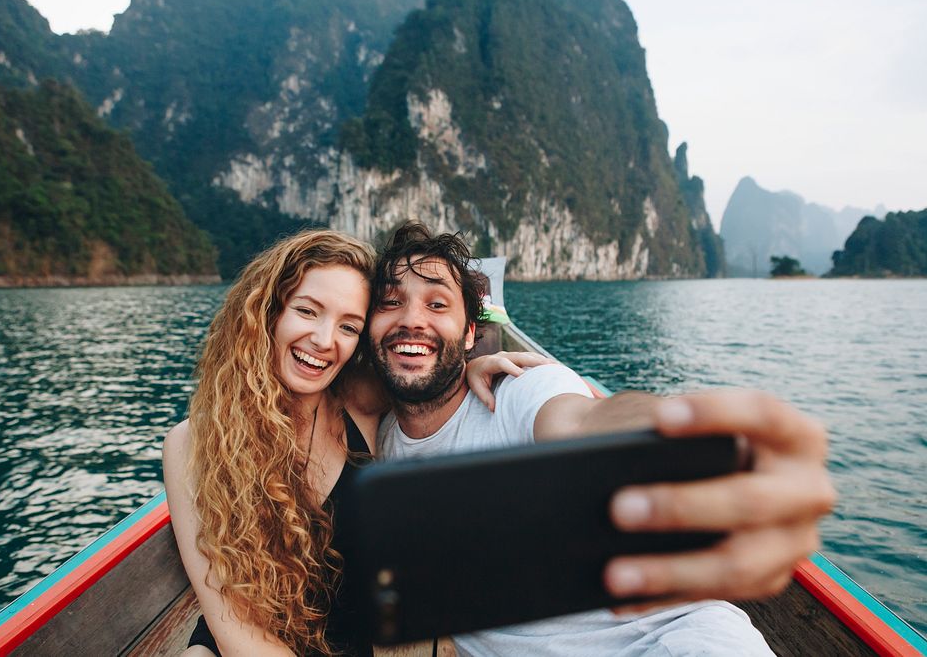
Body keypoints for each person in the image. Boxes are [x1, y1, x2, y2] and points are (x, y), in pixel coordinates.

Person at [369, 222, 837, 655]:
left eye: (437, 304)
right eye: (390, 302)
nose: (412, 319)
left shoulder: (520, 390)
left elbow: (584, 420)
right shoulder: (376, 438)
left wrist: (694, 437)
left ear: (471, 333)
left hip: (671, 640)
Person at [163, 228, 542, 656]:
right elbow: (236, 630)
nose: (324, 341)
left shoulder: (359, 400)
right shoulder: (194, 443)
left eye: (349, 326)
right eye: (307, 311)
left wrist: (476, 366)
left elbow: (431, 374)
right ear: (267, 311)